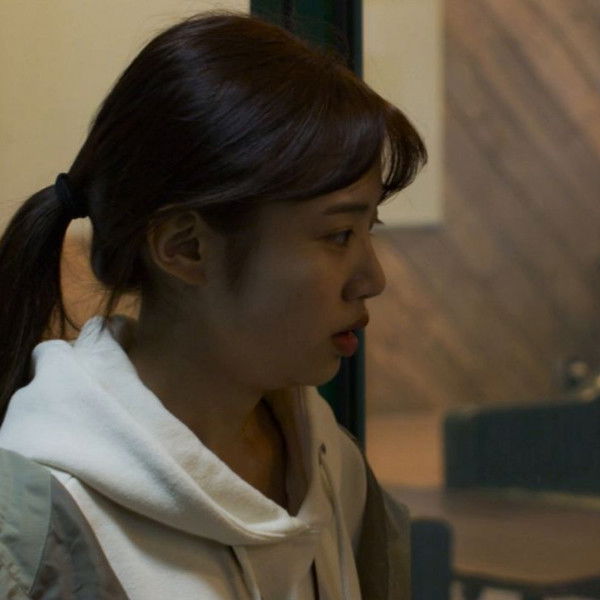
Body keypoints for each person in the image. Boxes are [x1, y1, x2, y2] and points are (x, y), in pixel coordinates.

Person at [0, 11, 426, 599]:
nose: (371, 279)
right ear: (186, 248)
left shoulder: (333, 465)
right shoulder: (38, 528)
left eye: (368, 229)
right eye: (337, 235)